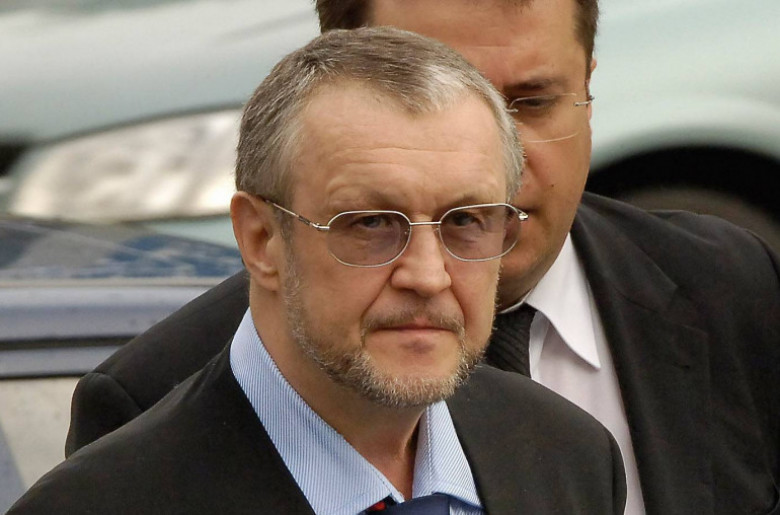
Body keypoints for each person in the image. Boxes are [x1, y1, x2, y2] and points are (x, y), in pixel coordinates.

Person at [66, 1, 780, 514]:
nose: (428, 272)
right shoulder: (144, 409)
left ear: (589, 87)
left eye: (532, 102)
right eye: (371, 223)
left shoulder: (723, 291)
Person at [10, 27, 626, 514]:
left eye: (466, 221)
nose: (428, 275)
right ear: (261, 240)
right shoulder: (104, 504)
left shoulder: (568, 455)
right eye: (371, 223)